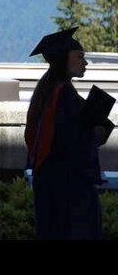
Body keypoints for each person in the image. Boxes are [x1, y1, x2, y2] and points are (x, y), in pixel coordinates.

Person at [25, 27, 108, 240]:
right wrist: (96, 131)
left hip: (50, 183)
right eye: (79, 56)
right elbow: (71, 144)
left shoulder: (46, 90)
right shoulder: (63, 95)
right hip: (69, 190)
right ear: (64, 58)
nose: (85, 62)